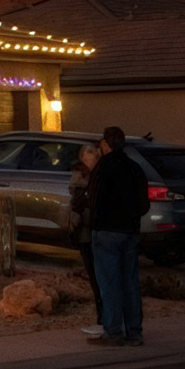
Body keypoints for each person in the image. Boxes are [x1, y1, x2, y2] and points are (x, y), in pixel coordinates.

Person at [87, 126, 149, 345]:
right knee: (130, 282)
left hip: (106, 230)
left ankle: (114, 330)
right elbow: (143, 204)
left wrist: (96, 223)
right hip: (130, 230)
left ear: (105, 145)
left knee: (109, 282)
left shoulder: (102, 168)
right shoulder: (134, 168)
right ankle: (134, 330)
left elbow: (93, 199)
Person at [68, 143, 104, 336]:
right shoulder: (82, 179)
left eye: (95, 152)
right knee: (95, 277)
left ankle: (105, 318)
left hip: (97, 232)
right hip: (86, 234)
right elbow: (76, 204)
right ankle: (102, 317)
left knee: (101, 278)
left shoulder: (98, 177)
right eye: (89, 153)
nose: (95, 155)